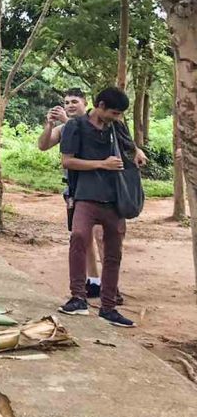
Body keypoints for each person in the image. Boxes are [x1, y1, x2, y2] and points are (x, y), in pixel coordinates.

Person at [58, 87, 145, 327]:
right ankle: (78, 297)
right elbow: (67, 161)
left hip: (115, 199)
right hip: (86, 196)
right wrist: (102, 164)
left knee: (113, 252)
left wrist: (137, 153)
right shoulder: (76, 126)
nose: (117, 117)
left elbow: (130, 147)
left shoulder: (116, 127)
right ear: (101, 106)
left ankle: (108, 306)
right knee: (78, 238)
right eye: (114, 112)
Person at [38, 88, 104, 298]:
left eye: (75, 101)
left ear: (85, 103)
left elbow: (87, 136)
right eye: (66, 102)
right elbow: (43, 145)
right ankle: (93, 281)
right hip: (74, 190)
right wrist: (49, 125)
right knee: (82, 237)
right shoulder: (64, 128)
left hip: (99, 187)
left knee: (101, 235)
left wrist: (67, 121)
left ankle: (111, 283)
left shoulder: (95, 123)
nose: (70, 105)